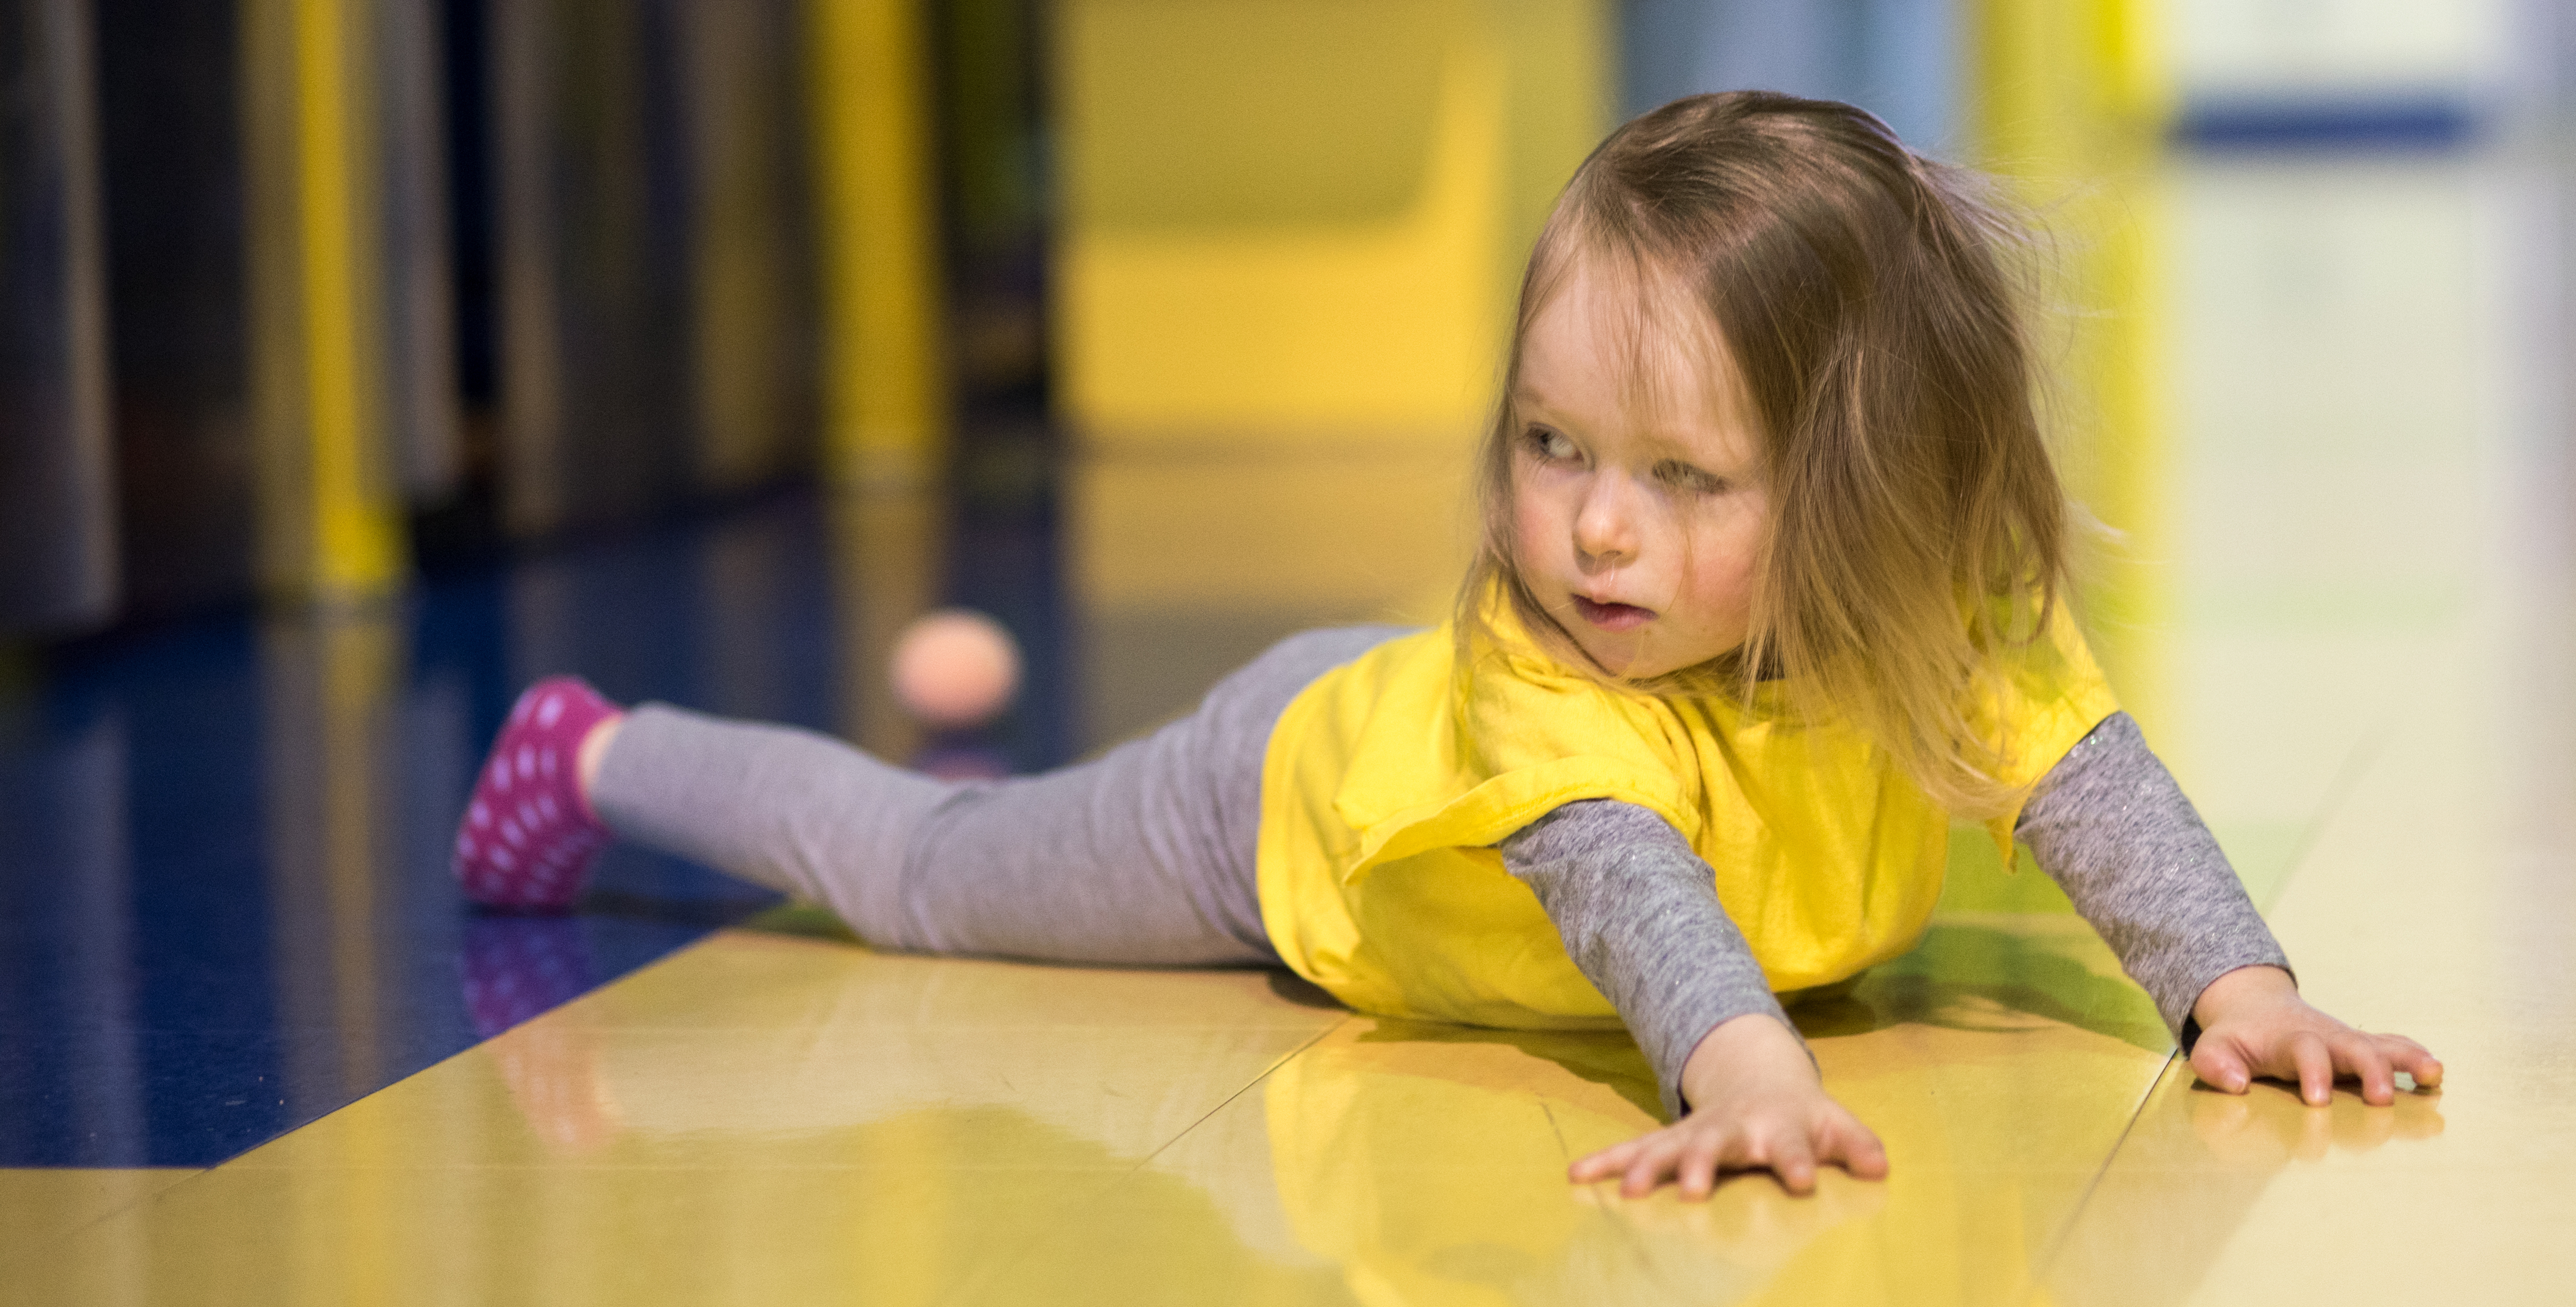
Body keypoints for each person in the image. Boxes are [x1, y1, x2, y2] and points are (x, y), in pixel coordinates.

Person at [453, 92, 2442, 1200]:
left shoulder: (1924, 631)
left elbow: (2085, 780)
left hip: (1388, 763)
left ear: (1862, 500)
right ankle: (595, 754)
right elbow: (1629, 895)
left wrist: (2237, 991)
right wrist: (1740, 1078)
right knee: (922, 878)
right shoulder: (1556, 674)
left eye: (1681, 475)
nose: (1590, 524)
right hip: (1280, 807)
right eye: (1551, 444)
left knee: (964, 850)